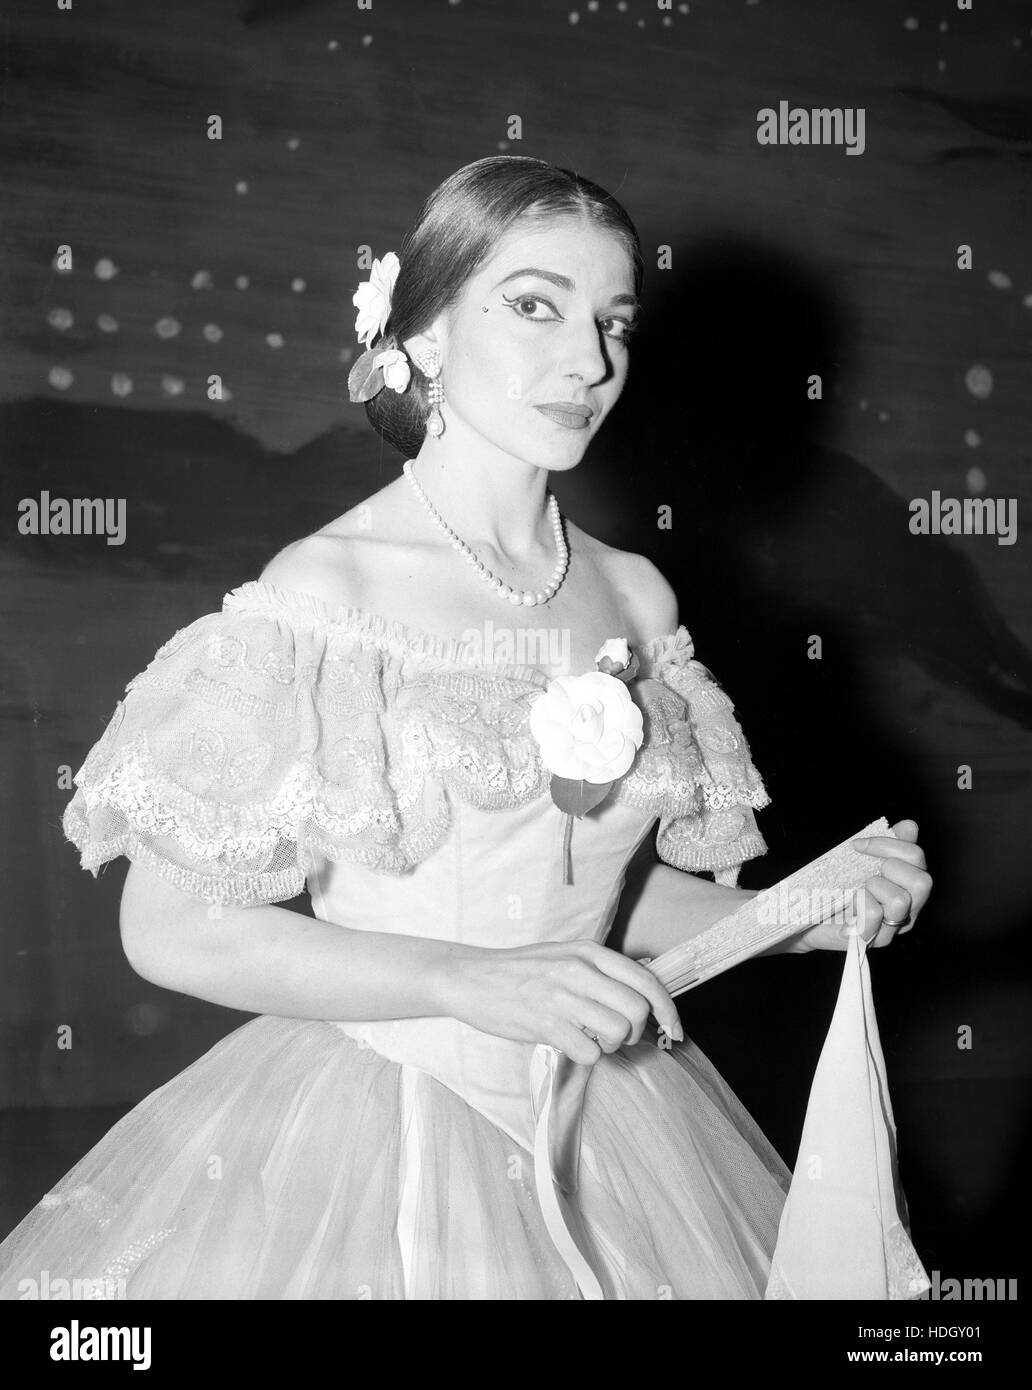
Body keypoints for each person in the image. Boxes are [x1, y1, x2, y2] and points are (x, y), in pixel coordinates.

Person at [0, 156, 931, 1300]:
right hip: (382, 1119)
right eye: (534, 305)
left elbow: (599, 903)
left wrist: (806, 912)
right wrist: (464, 979)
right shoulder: (333, 585)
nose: (589, 363)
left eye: (615, 322)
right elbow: (176, 930)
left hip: (611, 1124)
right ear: (426, 333)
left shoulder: (636, 598)